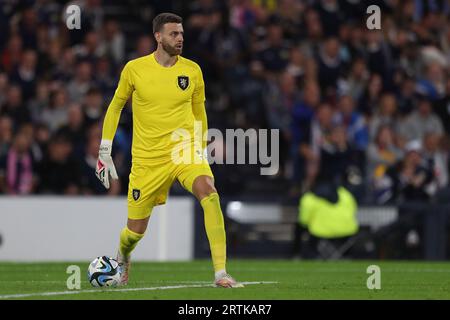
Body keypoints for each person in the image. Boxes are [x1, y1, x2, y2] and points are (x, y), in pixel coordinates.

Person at [95, 13, 242, 288]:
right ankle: (123, 256)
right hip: (148, 159)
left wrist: (199, 147)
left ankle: (221, 273)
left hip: (184, 151)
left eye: (182, 33)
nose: (180, 38)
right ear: (158, 37)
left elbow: (199, 113)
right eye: (174, 34)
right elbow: (116, 106)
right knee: (134, 233)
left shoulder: (193, 70)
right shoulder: (134, 69)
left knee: (209, 192)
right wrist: (105, 149)